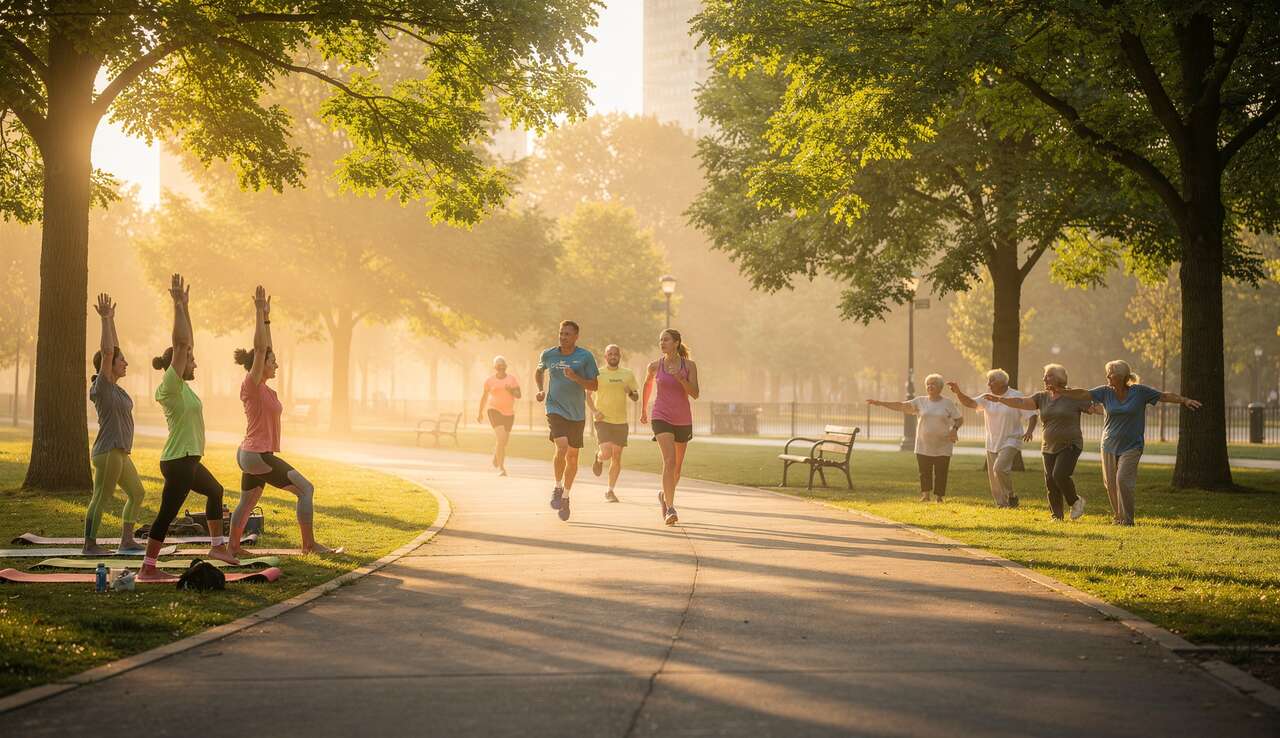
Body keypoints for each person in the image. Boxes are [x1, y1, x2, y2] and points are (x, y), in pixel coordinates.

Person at [139, 274, 238, 580]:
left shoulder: (184, 388)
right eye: (190, 360)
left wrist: (186, 308)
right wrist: (176, 305)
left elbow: (187, 343)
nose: (195, 363)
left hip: (189, 459)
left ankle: (217, 546)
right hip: (178, 461)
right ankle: (148, 568)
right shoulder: (170, 385)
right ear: (177, 364)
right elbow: (181, 343)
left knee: (215, 491)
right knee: (167, 515)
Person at [227, 286, 334, 555]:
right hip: (255, 454)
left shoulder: (265, 388)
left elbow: (266, 347)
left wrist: (267, 317)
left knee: (248, 502)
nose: (276, 365)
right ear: (260, 364)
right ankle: (309, 546)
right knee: (306, 489)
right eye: (272, 362)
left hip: (252, 454)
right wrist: (258, 314)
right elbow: (262, 348)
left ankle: (232, 548)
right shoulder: (251, 384)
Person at [1060, 360, 1200, 525]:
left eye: (1110, 373)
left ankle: (1127, 520)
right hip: (1109, 445)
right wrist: (1063, 392)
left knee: (1122, 480)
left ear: (1120, 376)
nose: (1107, 376)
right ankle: (1118, 517)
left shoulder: (1140, 392)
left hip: (1132, 446)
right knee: (1111, 484)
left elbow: (1164, 396)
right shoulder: (1105, 392)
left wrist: (1184, 401)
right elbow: (1084, 393)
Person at [982, 363, 1098, 521]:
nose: (1044, 378)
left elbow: (1094, 408)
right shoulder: (1042, 397)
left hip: (1070, 443)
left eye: (1048, 375)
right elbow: (1021, 402)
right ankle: (1057, 516)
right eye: (1045, 375)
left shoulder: (1073, 396)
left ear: (1059, 378)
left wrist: (1107, 407)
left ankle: (1075, 501)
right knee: (1050, 481)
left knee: (1059, 475)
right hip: (1048, 446)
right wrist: (1000, 399)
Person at [83, 293, 146, 555]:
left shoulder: (116, 389)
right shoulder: (103, 386)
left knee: (137, 493)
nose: (126, 362)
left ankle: (127, 539)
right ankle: (90, 545)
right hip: (108, 451)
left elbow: (114, 349)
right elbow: (109, 351)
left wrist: (113, 322)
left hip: (120, 452)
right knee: (102, 496)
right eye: (122, 361)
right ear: (108, 366)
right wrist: (105, 319)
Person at [535, 321, 599, 521]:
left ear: (576, 336)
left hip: (577, 414)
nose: (563, 337)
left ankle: (566, 496)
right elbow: (539, 371)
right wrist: (540, 389)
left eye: (567, 334)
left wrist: (576, 378)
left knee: (572, 458)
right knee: (561, 446)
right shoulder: (548, 354)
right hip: (554, 407)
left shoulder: (585, 357)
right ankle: (557, 486)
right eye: (561, 333)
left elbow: (595, 385)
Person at [867, 374, 963, 502]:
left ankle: (939, 497)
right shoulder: (920, 401)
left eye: (933, 384)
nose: (930, 386)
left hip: (943, 444)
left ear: (940, 387)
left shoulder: (947, 403)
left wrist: (954, 429)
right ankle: (925, 495)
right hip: (924, 444)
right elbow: (901, 406)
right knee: (924, 471)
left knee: (941, 472)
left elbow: (959, 419)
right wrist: (881, 403)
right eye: (928, 384)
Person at [948, 370, 1037, 508]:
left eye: (992, 381)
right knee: (994, 476)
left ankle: (1011, 495)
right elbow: (970, 403)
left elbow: (1032, 414)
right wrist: (958, 392)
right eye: (988, 381)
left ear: (1002, 382)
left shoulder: (1016, 395)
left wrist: (1030, 431)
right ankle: (1002, 504)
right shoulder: (987, 397)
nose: (988, 384)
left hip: (1011, 439)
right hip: (992, 441)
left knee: (999, 468)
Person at [641, 329, 699, 526]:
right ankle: (670, 508)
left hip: (682, 418)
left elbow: (695, 393)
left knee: (677, 469)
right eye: (660, 340)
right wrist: (643, 409)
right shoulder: (655, 366)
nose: (662, 343)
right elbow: (647, 385)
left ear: (676, 343)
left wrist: (680, 378)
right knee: (669, 460)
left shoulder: (689, 365)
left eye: (666, 340)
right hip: (661, 416)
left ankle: (664, 495)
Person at [586, 344, 639, 502]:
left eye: (616, 354)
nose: (613, 356)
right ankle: (599, 457)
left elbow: (635, 397)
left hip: (621, 421)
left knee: (616, 456)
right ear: (605, 357)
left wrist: (629, 391)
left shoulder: (627, 374)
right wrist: (595, 412)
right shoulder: (598, 374)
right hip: (603, 420)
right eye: (610, 354)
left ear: (619, 357)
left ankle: (610, 491)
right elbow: (587, 395)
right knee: (607, 452)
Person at [477, 356, 521, 476]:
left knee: (503, 442)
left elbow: (518, 395)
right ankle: (502, 468)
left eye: (502, 367)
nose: (501, 369)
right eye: (498, 367)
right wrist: (480, 412)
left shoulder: (511, 379)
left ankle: (497, 454)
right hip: (494, 410)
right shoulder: (489, 381)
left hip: (509, 413)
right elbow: (484, 397)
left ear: (505, 368)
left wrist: (511, 390)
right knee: (501, 438)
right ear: (495, 368)